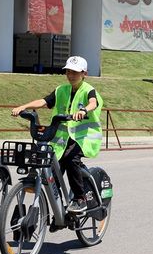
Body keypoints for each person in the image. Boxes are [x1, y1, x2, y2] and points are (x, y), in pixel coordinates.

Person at [12, 56, 103, 213]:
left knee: (70, 159)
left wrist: (84, 110)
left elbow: (93, 103)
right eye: (68, 71)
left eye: (75, 72)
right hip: (62, 138)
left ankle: (80, 199)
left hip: (84, 138)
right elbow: (44, 101)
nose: (70, 75)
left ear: (84, 74)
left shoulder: (88, 90)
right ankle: (59, 210)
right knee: (53, 168)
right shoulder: (62, 89)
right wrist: (23, 106)